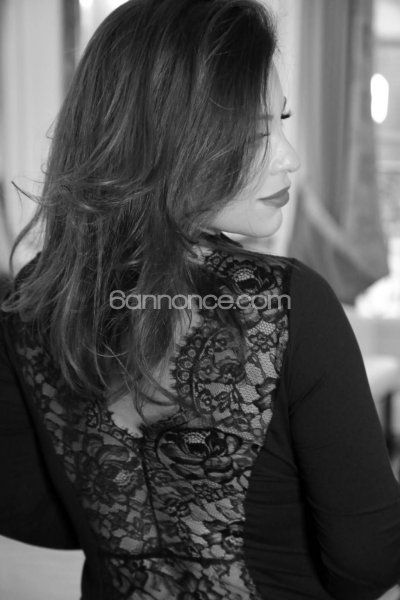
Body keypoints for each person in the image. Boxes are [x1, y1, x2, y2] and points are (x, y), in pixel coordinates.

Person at [1, 0, 400, 599]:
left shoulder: (36, 296)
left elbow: (28, 505)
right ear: (168, 138)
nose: (290, 157)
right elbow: (368, 562)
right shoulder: (287, 304)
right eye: (257, 132)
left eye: (282, 121)